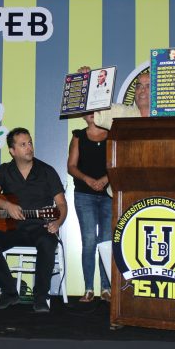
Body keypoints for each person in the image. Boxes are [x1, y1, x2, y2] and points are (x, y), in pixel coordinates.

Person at [0, 128, 68, 313]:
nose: (29, 148)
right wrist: (7, 205)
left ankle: (41, 297)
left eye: (30, 143)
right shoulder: (4, 170)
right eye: (23, 144)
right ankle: (10, 292)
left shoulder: (47, 171)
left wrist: (58, 222)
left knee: (47, 242)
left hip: (40, 228)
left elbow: (61, 203)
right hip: (13, 229)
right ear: (12, 151)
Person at [67, 113, 112, 302]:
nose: (92, 113)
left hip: (109, 194)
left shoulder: (114, 134)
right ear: (83, 115)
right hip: (84, 195)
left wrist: (105, 179)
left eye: (96, 109)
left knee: (107, 242)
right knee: (89, 241)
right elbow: (71, 166)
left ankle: (106, 288)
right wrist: (88, 180)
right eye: (89, 110)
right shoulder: (78, 136)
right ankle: (88, 289)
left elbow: (120, 161)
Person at [77, 66, 151, 130]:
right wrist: (87, 83)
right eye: (139, 86)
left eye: (148, 86)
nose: (142, 90)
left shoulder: (159, 115)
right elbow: (99, 107)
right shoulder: (124, 113)